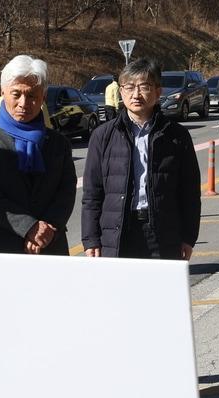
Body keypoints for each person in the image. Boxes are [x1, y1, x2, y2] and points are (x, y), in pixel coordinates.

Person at [81, 58, 200, 260]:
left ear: (158, 91)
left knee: (159, 291)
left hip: (162, 233)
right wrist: (91, 238)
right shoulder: (103, 136)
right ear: (121, 92)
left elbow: (189, 192)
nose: (136, 95)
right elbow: (92, 193)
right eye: (129, 87)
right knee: (118, 291)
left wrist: (188, 237)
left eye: (144, 87)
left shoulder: (176, 136)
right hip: (117, 233)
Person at [0, 55, 76, 254]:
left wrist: (48, 228)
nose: (24, 103)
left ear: (43, 98)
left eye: (32, 95)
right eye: (16, 94)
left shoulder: (58, 143)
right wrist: (29, 227)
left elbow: (66, 191)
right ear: (3, 93)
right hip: (1, 245)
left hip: (51, 243)